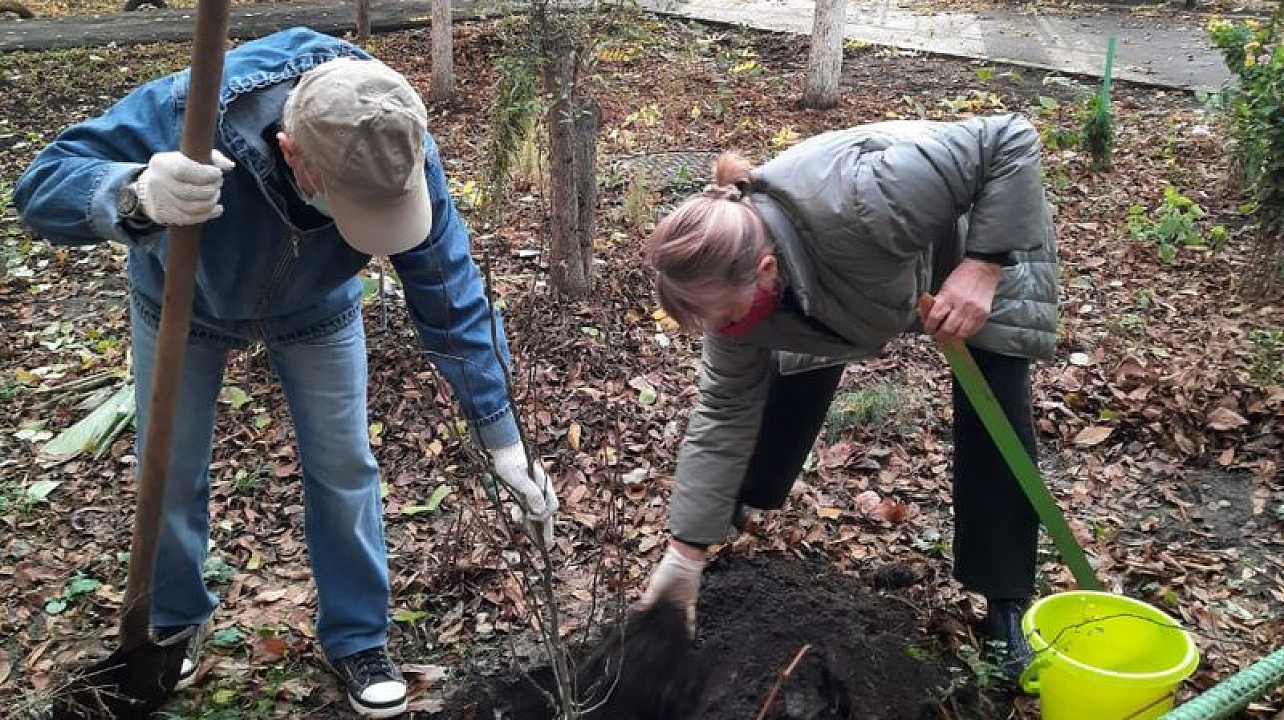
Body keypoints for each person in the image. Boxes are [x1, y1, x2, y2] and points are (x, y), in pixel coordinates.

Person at [14, 27, 558, 719]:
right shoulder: (194, 107)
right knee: (172, 469)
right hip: (187, 303)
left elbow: (447, 291)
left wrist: (501, 435)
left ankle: (359, 637)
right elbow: (39, 185)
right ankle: (176, 623)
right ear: (293, 153)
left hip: (318, 307)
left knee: (344, 466)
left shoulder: (392, 128)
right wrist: (133, 196)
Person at [637, 114, 1059, 680]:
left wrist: (983, 268)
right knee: (766, 392)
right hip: (855, 282)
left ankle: (1005, 605)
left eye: (729, 317)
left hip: (979, 235)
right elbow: (722, 411)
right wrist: (682, 555)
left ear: (764, 273)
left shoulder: (866, 198)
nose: (726, 332)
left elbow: (1010, 139)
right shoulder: (735, 297)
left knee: (993, 415)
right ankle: (729, 521)